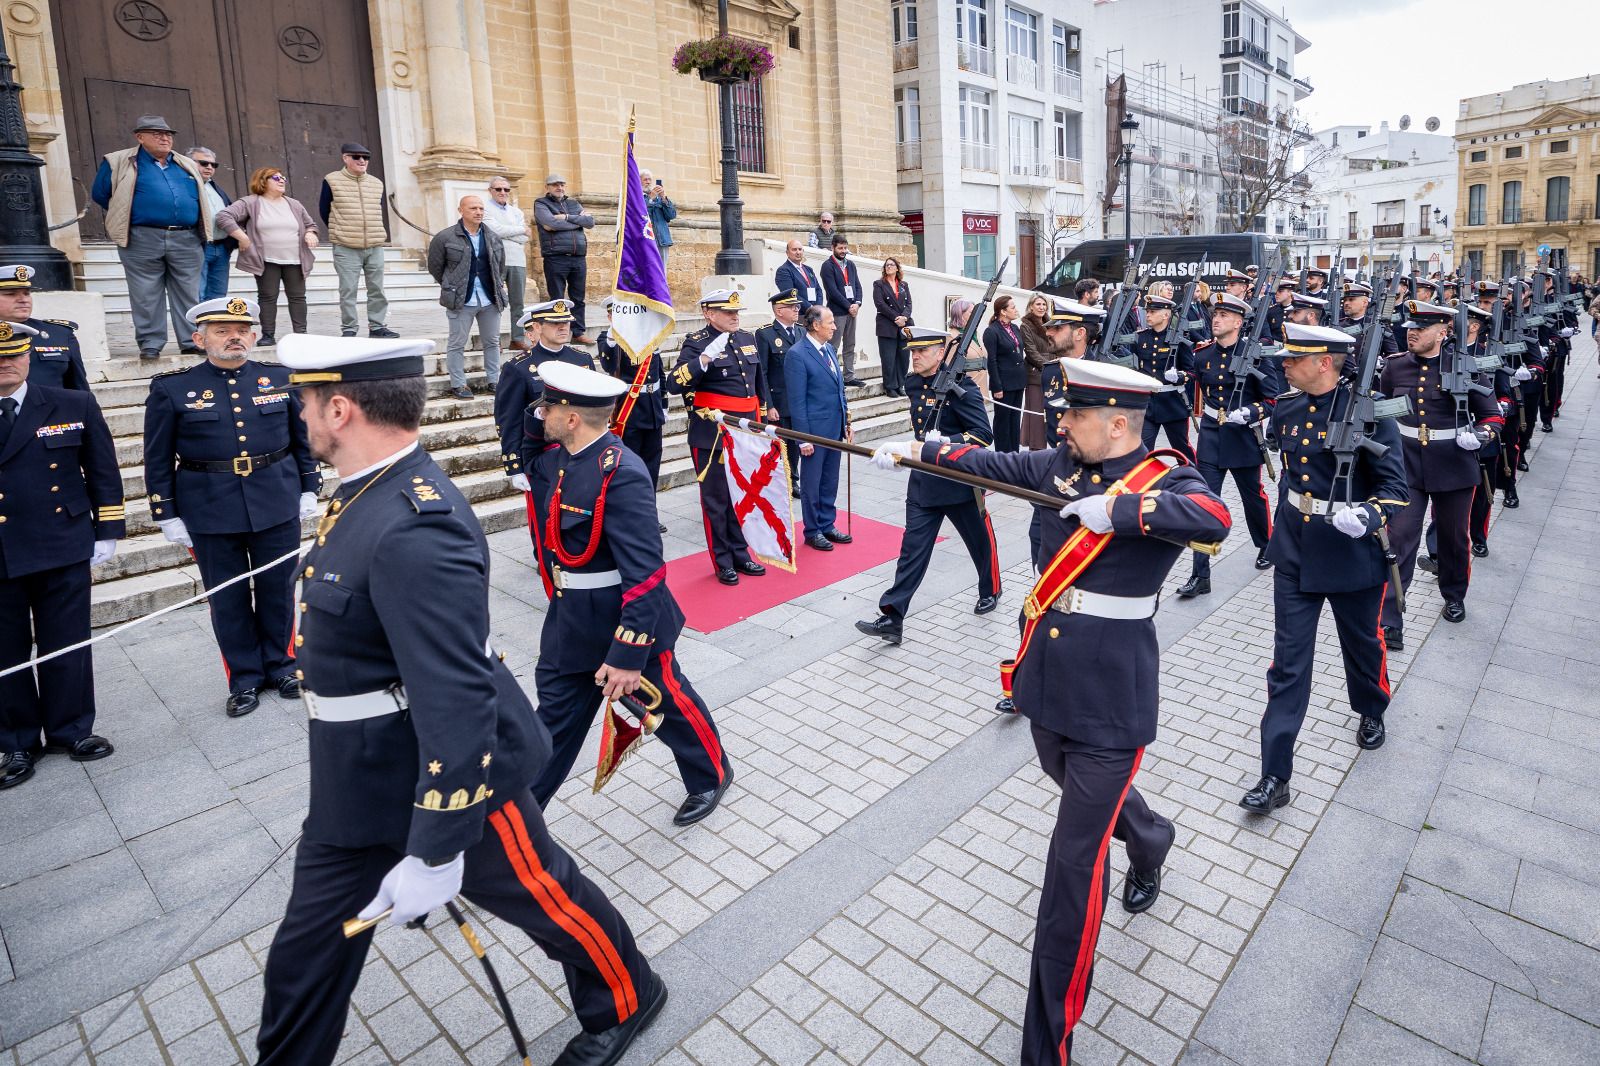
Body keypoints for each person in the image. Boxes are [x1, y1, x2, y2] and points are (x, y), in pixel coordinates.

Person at [258, 335, 665, 1066]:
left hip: (452, 775)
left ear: (341, 409)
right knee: (306, 956)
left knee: (550, 903)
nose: (302, 415)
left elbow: (457, 691)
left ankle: (630, 994)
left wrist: (439, 845)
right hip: (357, 781)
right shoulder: (364, 492)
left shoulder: (413, 523)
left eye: (308, 402)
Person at [869, 357, 1231, 1066]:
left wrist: (1123, 513)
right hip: (1046, 679)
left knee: (1072, 866)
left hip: (1111, 696)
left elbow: (1216, 521)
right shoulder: (1060, 463)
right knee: (1062, 775)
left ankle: (1048, 1045)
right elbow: (988, 459)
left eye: (1075, 415)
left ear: (1119, 423)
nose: (1060, 424)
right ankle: (1151, 837)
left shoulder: (1165, 479)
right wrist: (917, 450)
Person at [524, 361, 733, 825]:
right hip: (569, 620)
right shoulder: (554, 461)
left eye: (549, 408)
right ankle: (514, 823)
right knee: (550, 727)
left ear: (572, 418)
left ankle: (711, 774)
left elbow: (645, 573)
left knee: (666, 705)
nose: (541, 416)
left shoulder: (622, 471)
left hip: (625, 622)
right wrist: (542, 395)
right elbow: (524, 443)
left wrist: (626, 654)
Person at [1240, 323, 1408, 815]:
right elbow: (1291, 476)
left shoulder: (1372, 414)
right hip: (1295, 551)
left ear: (1325, 364)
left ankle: (1371, 708)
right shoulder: (1288, 408)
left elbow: (1396, 487)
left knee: (1362, 643)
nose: (1284, 365)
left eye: (1294, 359)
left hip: (1353, 553)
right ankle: (1275, 775)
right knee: (1288, 663)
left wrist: (1370, 515)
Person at [144, 297, 320, 717]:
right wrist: (165, 513)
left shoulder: (279, 378)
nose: (234, 337)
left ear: (255, 335)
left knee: (279, 588)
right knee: (228, 597)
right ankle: (243, 677)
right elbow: (157, 457)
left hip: (275, 499)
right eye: (223, 330)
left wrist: (309, 487)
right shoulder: (172, 388)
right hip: (207, 507)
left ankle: (282, 665)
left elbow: (303, 439)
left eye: (242, 330)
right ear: (199, 338)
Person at [0, 321, 121, 789]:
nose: (6, 362)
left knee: (67, 641)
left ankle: (71, 730)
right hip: (3, 552)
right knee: (5, 650)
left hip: (62, 540)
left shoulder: (72, 403)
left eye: (14, 353)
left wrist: (107, 528)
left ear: (29, 356)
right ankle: (16, 741)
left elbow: (102, 469)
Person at [856, 326, 999, 645]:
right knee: (912, 551)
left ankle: (990, 588)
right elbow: (921, 430)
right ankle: (893, 617)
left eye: (921, 351)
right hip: (924, 479)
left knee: (979, 542)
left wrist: (947, 441)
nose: (915, 356)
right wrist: (904, 450)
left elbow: (982, 435)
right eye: (912, 352)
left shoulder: (962, 388)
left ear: (939, 353)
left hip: (959, 479)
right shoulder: (912, 383)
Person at [1376, 300, 1503, 645]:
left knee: (1453, 538)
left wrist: (1480, 435)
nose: (1412, 333)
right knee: (1399, 539)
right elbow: (1382, 408)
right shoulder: (1395, 367)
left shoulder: (1465, 367)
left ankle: (1454, 595)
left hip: (1454, 466)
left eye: (1421, 329)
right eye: (1409, 328)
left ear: (1443, 332)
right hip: (1406, 466)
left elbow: (1492, 415)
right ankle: (1391, 618)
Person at [1177, 293, 1282, 597]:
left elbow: (1273, 399)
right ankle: (1201, 575)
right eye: (1215, 315)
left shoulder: (1255, 355)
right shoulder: (1202, 353)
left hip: (1243, 439)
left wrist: (1252, 412)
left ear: (1238, 322)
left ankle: (1266, 545)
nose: (1216, 320)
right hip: (1211, 435)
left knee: (1254, 498)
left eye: (1223, 316)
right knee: (1204, 503)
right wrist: (1178, 378)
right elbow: (1193, 376)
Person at [669, 289, 770, 585]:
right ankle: (723, 560)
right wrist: (701, 361)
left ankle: (741, 552)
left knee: (743, 496)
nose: (735, 316)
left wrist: (761, 422)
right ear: (708, 314)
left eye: (736, 311)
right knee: (716, 500)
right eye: (728, 312)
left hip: (744, 432)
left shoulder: (747, 339)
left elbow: (757, 385)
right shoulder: (697, 343)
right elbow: (674, 384)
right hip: (711, 436)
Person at [89, 114, 210, 360]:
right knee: (145, 292)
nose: (164, 138)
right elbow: (101, 194)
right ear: (139, 137)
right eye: (157, 134)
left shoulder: (185, 163)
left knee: (189, 292)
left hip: (186, 238)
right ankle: (150, 343)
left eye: (168, 134)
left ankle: (191, 340)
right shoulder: (118, 161)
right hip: (142, 236)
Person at [497, 300, 593, 565]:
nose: (564, 327)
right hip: (543, 455)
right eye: (555, 323)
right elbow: (508, 421)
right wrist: (514, 466)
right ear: (537, 327)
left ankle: (576, 552)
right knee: (545, 514)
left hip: (579, 451)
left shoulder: (582, 360)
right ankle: (548, 561)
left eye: (567, 323)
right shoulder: (518, 367)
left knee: (580, 508)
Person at [214, 167, 320, 347]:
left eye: (283, 178)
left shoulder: (294, 204)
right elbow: (223, 216)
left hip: (295, 259)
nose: (282, 180)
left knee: (298, 297)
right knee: (267, 296)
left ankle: (301, 334)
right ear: (263, 181)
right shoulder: (251, 202)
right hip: (266, 260)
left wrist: (311, 233)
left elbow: (311, 224)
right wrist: (242, 236)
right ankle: (268, 335)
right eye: (276, 177)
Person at [786, 306, 854, 551]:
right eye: (830, 322)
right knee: (812, 484)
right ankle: (812, 530)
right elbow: (797, 400)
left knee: (829, 481)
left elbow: (839, 391)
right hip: (813, 432)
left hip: (834, 429)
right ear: (815, 325)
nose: (835, 327)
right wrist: (803, 439)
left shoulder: (829, 350)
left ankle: (827, 523)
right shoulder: (797, 354)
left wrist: (847, 422)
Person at [595, 296, 668, 519]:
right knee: (630, 467)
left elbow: (659, 372)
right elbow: (608, 364)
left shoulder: (649, 337)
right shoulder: (609, 339)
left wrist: (663, 403)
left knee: (652, 466)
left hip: (652, 410)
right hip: (629, 412)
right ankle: (630, 514)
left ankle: (649, 513)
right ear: (610, 316)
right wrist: (612, 334)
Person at [428, 195, 506, 401]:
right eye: (473, 208)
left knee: (492, 341)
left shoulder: (493, 237)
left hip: (490, 299)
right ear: (460, 210)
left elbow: (500, 267)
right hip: (461, 300)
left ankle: (494, 380)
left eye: (481, 208)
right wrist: (451, 285)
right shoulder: (445, 237)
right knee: (457, 343)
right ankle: (458, 384)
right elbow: (435, 267)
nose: (479, 212)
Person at [319, 143, 397, 340]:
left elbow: (377, 210)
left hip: (374, 244)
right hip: (346, 245)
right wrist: (341, 230)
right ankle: (349, 328)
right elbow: (324, 210)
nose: (362, 160)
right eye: (356, 156)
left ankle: (377, 326)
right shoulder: (331, 180)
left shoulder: (376, 183)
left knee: (377, 289)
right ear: (345, 158)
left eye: (366, 157)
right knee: (348, 290)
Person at [1132, 293, 1199, 461]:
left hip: (1172, 404)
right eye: (1147, 311)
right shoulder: (1141, 337)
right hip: (1148, 403)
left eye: (1153, 311)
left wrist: (1180, 376)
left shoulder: (1179, 339)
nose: (1148, 315)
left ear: (1166, 314)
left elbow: (1192, 372)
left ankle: (1192, 480)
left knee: (1182, 449)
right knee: (1143, 451)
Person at [0, 266, 88, 390]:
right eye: (11, 294)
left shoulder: (59, 333)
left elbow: (79, 391)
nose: (23, 300)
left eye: (27, 293)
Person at [534, 175, 596, 343]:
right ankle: (556, 333)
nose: (559, 187)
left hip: (578, 257)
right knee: (557, 299)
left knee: (578, 298)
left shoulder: (573, 203)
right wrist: (578, 221)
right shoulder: (541, 204)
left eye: (562, 184)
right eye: (555, 185)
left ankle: (578, 333)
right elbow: (550, 224)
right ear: (547, 187)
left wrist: (566, 217)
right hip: (556, 257)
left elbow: (590, 222)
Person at [754, 289, 803, 496]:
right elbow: (762, 372)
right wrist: (770, 405)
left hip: (799, 401)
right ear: (779, 310)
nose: (797, 310)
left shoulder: (801, 331)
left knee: (797, 443)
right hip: (780, 402)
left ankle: (794, 479)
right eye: (792, 307)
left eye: (797, 306)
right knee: (781, 443)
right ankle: (783, 479)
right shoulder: (765, 334)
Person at [483, 177, 531, 348]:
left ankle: (517, 338)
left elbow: (525, 237)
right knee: (493, 301)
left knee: (518, 302)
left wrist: (511, 234)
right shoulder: (485, 209)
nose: (502, 192)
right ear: (490, 190)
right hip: (495, 258)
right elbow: (494, 231)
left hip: (517, 259)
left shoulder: (516, 211)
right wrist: (520, 231)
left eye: (506, 189)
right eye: (498, 189)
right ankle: (492, 340)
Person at [189, 147, 236, 302]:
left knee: (218, 295)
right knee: (197, 294)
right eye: (203, 163)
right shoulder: (184, 185)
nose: (209, 167)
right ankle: (197, 327)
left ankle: (214, 327)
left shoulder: (214, 187)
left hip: (221, 247)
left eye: (213, 165)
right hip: (198, 245)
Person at [820, 235, 867, 387]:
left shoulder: (851, 265)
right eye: (840, 248)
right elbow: (832, 291)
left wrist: (857, 304)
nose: (843, 251)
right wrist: (848, 306)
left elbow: (858, 286)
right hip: (838, 312)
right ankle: (832, 375)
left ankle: (849, 376)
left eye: (845, 248)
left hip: (852, 311)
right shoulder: (827, 266)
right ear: (833, 248)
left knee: (850, 344)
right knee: (833, 345)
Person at [983, 295, 1027, 453]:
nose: (1016, 310)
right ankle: (1002, 454)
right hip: (1003, 383)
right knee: (1003, 419)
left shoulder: (1015, 328)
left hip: (1018, 380)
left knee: (1015, 419)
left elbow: (1019, 352)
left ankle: (1014, 453)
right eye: (1012, 307)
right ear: (1003, 311)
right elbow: (992, 361)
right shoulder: (992, 331)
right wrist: (997, 386)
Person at [872, 257, 913, 397]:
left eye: (891, 265)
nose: (889, 267)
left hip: (903, 325)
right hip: (887, 325)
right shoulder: (878, 284)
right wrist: (896, 317)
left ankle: (900, 384)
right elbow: (880, 304)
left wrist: (904, 318)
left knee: (903, 357)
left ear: (897, 268)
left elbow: (909, 304)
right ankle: (890, 387)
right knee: (888, 358)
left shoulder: (904, 285)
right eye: (886, 265)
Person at [1019, 294, 1051, 451]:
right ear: (1031, 306)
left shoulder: (1050, 323)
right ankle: (1036, 448)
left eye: (1044, 304)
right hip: (1036, 373)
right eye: (1038, 304)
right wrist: (1049, 365)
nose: (1042, 307)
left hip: (1052, 372)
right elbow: (1031, 351)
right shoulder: (1025, 325)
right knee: (1036, 413)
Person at [638, 169, 676, 268]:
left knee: (662, 270)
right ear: (639, 181)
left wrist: (663, 197)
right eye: (645, 179)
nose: (648, 182)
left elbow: (671, 215)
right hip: (646, 240)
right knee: (648, 269)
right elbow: (640, 214)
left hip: (662, 240)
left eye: (650, 179)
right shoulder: (638, 198)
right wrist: (650, 199)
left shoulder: (659, 198)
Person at [775, 239, 823, 313]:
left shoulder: (808, 269)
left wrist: (818, 307)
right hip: (799, 314)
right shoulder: (783, 270)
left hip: (815, 313)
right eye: (794, 250)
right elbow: (790, 294)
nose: (798, 252)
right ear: (787, 253)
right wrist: (810, 308)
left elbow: (818, 290)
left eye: (800, 249)